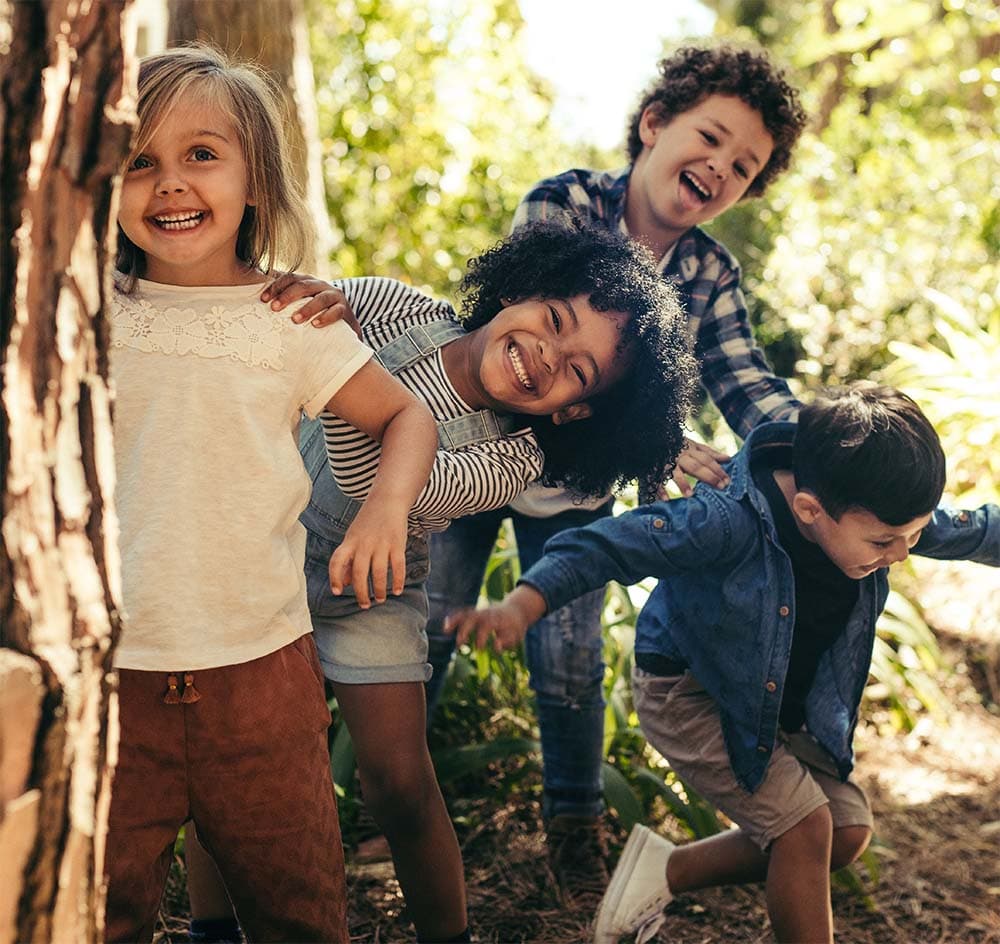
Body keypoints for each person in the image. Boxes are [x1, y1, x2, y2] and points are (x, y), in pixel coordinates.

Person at [185, 220, 700, 942]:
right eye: (553, 319)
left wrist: (335, 368)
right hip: (254, 558)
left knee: (398, 782)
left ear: (575, 411)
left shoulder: (512, 459)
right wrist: (309, 306)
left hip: (373, 588)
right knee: (227, 756)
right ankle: (212, 928)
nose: (546, 355)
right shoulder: (400, 311)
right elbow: (300, 313)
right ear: (519, 290)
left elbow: (388, 488)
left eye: (578, 372)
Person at [423, 41, 810, 902]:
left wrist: (821, 448)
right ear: (654, 124)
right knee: (428, 624)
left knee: (568, 655)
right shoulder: (563, 205)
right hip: (471, 453)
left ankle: (573, 827)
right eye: (709, 138)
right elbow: (508, 331)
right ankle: (391, 797)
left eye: (743, 166)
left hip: (573, 492)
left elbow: (746, 381)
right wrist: (655, 435)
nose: (719, 166)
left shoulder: (709, 271)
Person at [446, 383, 1000, 944]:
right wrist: (523, 602)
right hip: (687, 694)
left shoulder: (872, 510)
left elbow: (978, 529)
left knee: (846, 830)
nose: (902, 554)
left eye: (912, 536)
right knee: (805, 830)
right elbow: (611, 545)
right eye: (887, 543)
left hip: (772, 701)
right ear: (809, 509)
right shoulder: (726, 518)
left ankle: (666, 870)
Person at [106, 45, 439, 944]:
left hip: (262, 675)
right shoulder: (86, 310)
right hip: (112, 676)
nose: (170, 184)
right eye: (141, 161)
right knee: (99, 910)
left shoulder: (293, 321)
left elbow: (408, 417)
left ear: (257, 180)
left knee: (297, 907)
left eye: (202, 155)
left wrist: (382, 515)